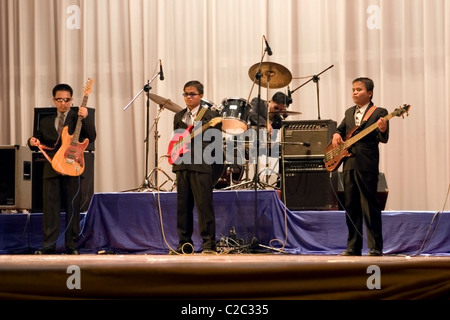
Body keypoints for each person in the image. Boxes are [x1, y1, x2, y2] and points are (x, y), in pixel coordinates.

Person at [28, 83, 96, 255]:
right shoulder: (45, 121)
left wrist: (86, 117)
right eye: (60, 99)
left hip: (73, 167)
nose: (63, 103)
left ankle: (72, 246)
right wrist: (32, 141)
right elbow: (36, 141)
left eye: (67, 100)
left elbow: (91, 136)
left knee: (73, 208)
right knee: (50, 210)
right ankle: (48, 246)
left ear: (72, 100)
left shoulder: (78, 116)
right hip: (51, 169)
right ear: (54, 100)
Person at [332, 77, 389, 256]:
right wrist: (335, 134)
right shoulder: (349, 112)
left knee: (369, 207)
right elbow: (340, 130)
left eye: (359, 89)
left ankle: (375, 247)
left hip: (366, 164)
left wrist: (382, 129)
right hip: (348, 163)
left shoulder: (379, 111)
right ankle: (353, 247)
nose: (355, 92)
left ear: (370, 93)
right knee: (351, 207)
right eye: (353, 89)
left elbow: (383, 139)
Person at [169, 80, 222, 254]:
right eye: (185, 94)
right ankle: (185, 244)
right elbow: (176, 139)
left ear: (201, 96)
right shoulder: (179, 116)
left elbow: (215, 143)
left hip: (200, 164)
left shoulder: (210, 116)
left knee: (204, 206)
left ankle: (208, 245)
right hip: (182, 165)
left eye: (192, 94)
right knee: (183, 207)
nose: (188, 97)